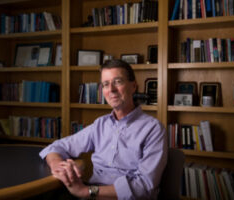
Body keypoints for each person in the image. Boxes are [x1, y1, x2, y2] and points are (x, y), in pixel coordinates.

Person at [39, 59, 168, 199]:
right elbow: (56, 147)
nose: (111, 89)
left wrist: (85, 191)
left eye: (118, 82)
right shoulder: (100, 124)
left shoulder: (153, 129)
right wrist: (58, 166)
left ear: (133, 86)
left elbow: (144, 187)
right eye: (106, 84)